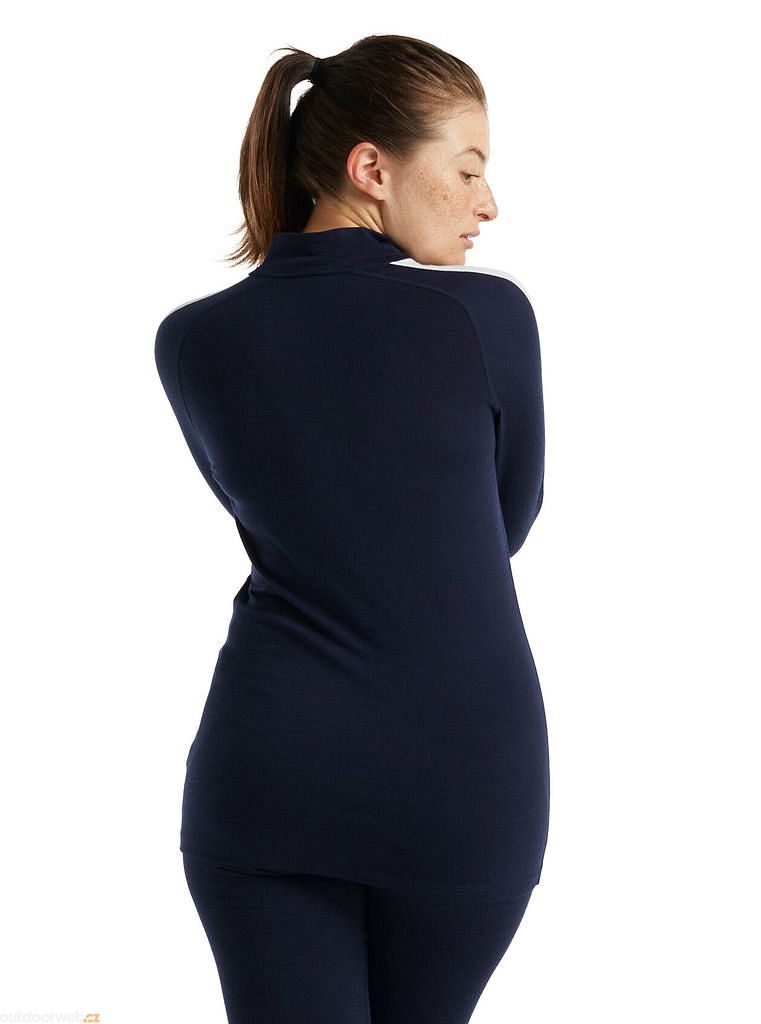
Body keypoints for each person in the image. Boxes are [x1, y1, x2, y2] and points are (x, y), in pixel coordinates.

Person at [154, 32, 549, 1024]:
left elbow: (284, 513)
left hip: (268, 776)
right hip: (461, 784)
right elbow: (498, 525)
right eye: (469, 169)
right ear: (372, 168)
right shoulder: (485, 318)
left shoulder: (193, 340)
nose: (488, 204)